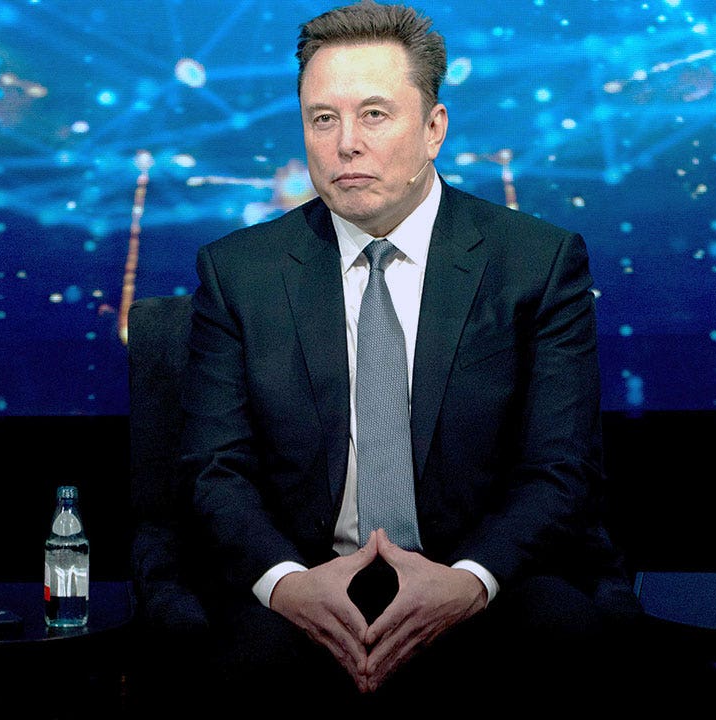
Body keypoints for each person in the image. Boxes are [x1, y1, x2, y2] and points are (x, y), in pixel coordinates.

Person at [173, 0, 647, 710]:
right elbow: (214, 470)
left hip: (485, 574)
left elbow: (560, 468)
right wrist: (288, 584)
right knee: (236, 664)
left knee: (563, 636)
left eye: (373, 115)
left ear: (433, 129)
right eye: (322, 119)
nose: (345, 145)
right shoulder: (238, 272)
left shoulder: (536, 264)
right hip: (310, 575)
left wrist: (470, 580)